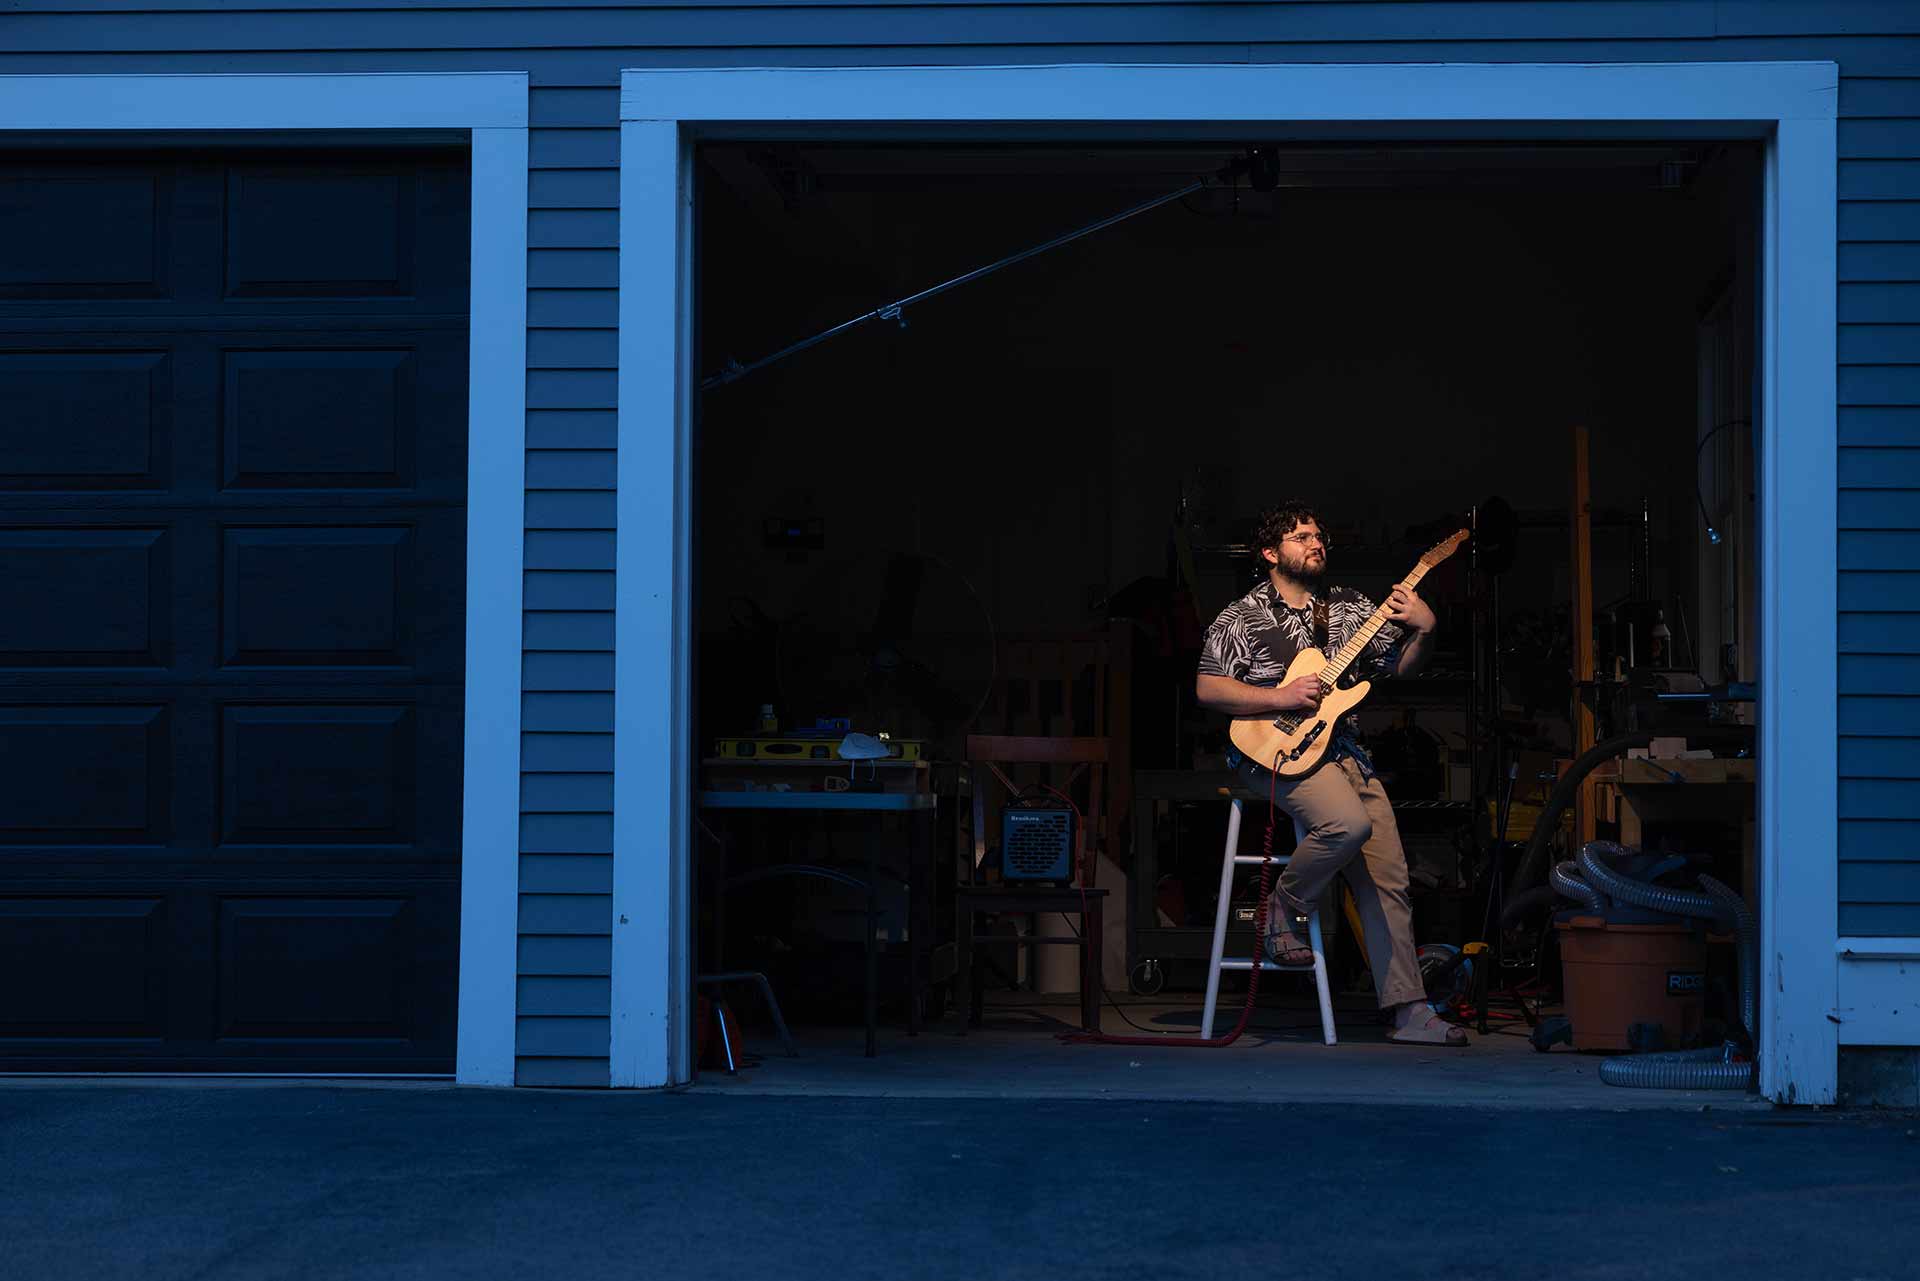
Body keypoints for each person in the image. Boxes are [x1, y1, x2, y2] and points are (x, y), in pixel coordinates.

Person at [1194, 501, 1467, 1047]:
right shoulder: (1241, 616)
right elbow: (1208, 688)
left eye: (1318, 534)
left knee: (1389, 876)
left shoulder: (1347, 609)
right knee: (1347, 824)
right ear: (1271, 553)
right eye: (1300, 536)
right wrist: (1280, 695)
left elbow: (1400, 668)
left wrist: (1425, 629)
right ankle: (1285, 904)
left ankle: (1408, 1009)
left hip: (1343, 751)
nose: (1315, 542)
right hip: (1272, 750)